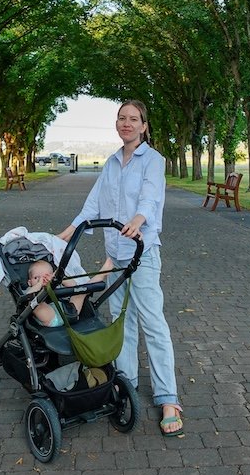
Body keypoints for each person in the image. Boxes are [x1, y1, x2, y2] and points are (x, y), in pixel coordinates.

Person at [57, 99, 183, 437]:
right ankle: (124, 384)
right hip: (115, 255)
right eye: (121, 118)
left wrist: (139, 220)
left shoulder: (153, 160)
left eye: (133, 119)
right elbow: (93, 204)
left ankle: (168, 398)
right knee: (122, 323)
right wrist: (65, 234)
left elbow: (151, 198)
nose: (126, 123)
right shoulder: (112, 163)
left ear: (144, 126)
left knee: (153, 323)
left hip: (141, 253)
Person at [25, 258, 114, 327]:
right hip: (50, 318)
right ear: (29, 282)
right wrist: (39, 284)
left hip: (69, 313)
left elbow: (73, 285)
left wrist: (59, 279)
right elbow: (29, 295)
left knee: (82, 291)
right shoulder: (30, 289)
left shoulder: (56, 285)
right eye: (37, 278)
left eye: (46, 276)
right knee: (34, 302)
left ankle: (102, 273)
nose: (43, 279)